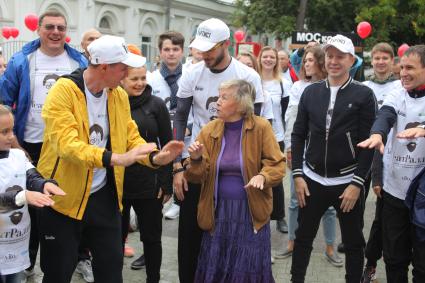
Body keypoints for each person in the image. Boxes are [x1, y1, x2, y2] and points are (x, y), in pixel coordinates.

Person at [35, 35, 184, 283]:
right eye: (123, 67)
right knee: (58, 273)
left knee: (111, 272)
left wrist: (156, 157)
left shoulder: (118, 95)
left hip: (104, 197)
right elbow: (67, 146)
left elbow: (131, 138)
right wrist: (116, 158)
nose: (127, 72)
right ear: (104, 66)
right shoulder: (63, 91)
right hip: (61, 198)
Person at [173, 18, 264, 283]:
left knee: (227, 237)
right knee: (189, 235)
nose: (204, 55)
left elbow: (254, 125)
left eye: (210, 49)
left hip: (232, 168)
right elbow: (180, 117)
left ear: (226, 44)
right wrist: (179, 165)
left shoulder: (247, 76)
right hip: (198, 160)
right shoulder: (192, 72)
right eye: (200, 49)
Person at [0, 10, 87, 279]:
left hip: (64, 148)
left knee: (56, 204)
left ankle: (67, 259)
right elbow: (4, 100)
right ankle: (25, 261)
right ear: (38, 29)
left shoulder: (78, 61)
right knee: (24, 201)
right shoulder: (21, 59)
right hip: (29, 142)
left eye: (61, 27)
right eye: (50, 26)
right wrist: (13, 140)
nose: (56, 32)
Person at [290, 34, 376, 283]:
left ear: (352, 60)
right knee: (303, 238)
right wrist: (297, 175)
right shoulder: (311, 92)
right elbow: (297, 136)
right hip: (312, 178)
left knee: (353, 242)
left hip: (347, 182)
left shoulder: (363, 94)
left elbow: (368, 145)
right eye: (330, 56)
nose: (334, 61)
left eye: (340, 57)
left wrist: (356, 183)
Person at [184, 79, 285, 282]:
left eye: (224, 97)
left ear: (241, 103)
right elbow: (196, 176)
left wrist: (262, 176)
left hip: (250, 212)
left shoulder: (261, 127)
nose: (217, 102)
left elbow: (278, 165)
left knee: (247, 266)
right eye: (219, 96)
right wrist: (195, 160)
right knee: (218, 265)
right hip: (217, 212)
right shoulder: (210, 129)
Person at [358, 45, 425, 283]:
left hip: (422, 196)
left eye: (410, 68)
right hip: (394, 190)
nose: (403, 73)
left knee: (422, 264)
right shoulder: (398, 90)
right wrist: (378, 133)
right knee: (394, 258)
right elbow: (386, 114)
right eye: (402, 67)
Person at [277, 45, 343, 267]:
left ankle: (330, 246)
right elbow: (291, 120)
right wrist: (289, 149)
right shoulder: (298, 87)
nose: (306, 64)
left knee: (330, 206)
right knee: (296, 199)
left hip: (326, 153)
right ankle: (292, 242)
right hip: (301, 149)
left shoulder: (332, 86)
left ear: (321, 63)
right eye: (304, 61)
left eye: (311, 60)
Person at [120, 49, 173, 283]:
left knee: (152, 238)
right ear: (121, 78)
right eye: (134, 78)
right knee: (114, 238)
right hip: (118, 183)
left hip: (149, 183)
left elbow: (168, 145)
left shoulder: (157, 105)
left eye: (143, 78)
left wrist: (166, 181)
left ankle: (154, 278)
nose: (140, 83)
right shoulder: (112, 103)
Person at [0, 104, 65, 283]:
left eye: (11, 130)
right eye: (4, 132)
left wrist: (45, 184)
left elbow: (31, 176)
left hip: (16, 247)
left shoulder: (18, 156)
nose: (11, 136)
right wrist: (23, 196)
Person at [360, 42, 402, 283]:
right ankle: (364, 258)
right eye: (376, 58)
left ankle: (376, 261)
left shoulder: (400, 87)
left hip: (391, 157)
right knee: (360, 210)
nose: (381, 62)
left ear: (392, 60)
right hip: (366, 153)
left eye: (385, 57)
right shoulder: (365, 86)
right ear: (371, 61)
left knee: (382, 218)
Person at [147, 31, 188, 222]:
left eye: (175, 49)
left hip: (185, 140)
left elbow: (196, 109)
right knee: (158, 190)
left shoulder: (190, 76)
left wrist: (188, 126)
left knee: (185, 184)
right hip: (159, 142)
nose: (171, 53)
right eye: (167, 49)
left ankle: (180, 204)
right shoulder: (150, 79)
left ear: (182, 51)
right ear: (160, 51)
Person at [258, 46, 290, 234]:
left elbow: (286, 113)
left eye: (272, 57)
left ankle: (279, 216)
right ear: (260, 59)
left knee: (275, 178)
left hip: (276, 136)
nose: (269, 60)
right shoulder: (253, 80)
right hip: (255, 136)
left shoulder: (283, 83)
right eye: (265, 56)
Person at [237, 52, 273, 121]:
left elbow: (268, 122)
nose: (245, 69)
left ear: (255, 68)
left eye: (249, 65)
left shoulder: (265, 95)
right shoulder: (227, 93)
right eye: (241, 65)